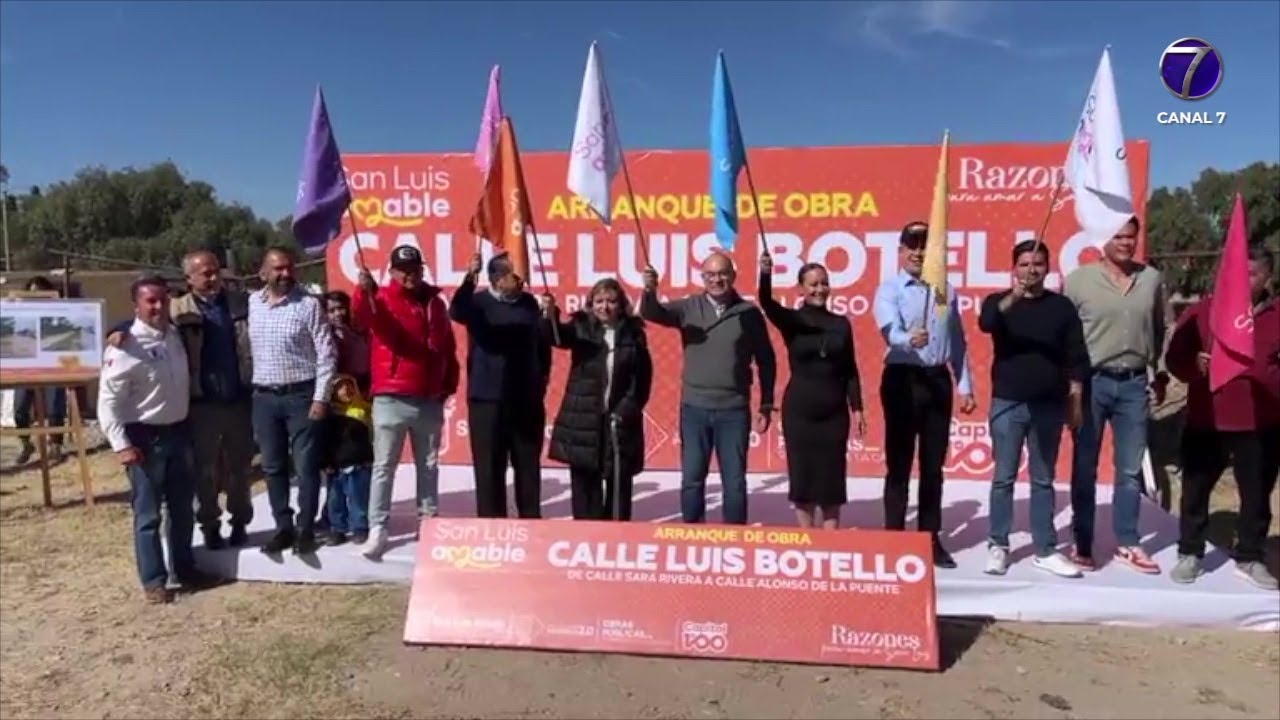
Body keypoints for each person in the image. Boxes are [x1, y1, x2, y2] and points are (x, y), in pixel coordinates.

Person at [109, 250, 257, 549]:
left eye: (215, 270)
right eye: (205, 273)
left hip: (238, 400)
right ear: (189, 278)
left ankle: (240, 522)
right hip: (201, 404)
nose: (213, 277)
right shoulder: (178, 309)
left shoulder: (240, 304)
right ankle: (210, 525)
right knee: (204, 471)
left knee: (240, 469)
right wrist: (119, 330)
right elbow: (144, 321)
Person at [1165, 246, 1279, 590]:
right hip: (1206, 418)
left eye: (1252, 274)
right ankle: (1190, 553)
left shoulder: (1277, 315)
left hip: (1261, 422)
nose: (1244, 281)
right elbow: (1175, 360)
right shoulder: (1204, 311)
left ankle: (1250, 556)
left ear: (1267, 278)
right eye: (1237, 273)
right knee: (1195, 491)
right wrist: (1193, 366)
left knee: (1257, 495)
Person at [97, 275, 214, 604]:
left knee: (182, 510)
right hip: (145, 439)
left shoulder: (174, 334)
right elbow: (108, 403)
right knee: (148, 515)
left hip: (178, 432)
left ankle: (185, 569)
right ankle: (154, 581)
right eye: (150, 301)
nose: (158, 307)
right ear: (136, 305)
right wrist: (121, 446)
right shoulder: (124, 346)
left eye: (162, 300)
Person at [978, 240, 1091, 577]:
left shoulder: (1061, 307)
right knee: (1003, 478)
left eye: (1038, 264)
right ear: (1014, 268)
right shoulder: (1000, 303)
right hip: (1008, 403)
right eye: (1025, 264)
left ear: (1048, 267)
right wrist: (1014, 295)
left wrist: (1075, 398)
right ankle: (998, 544)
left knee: (1043, 479)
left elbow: (1077, 355)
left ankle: (1045, 548)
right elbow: (986, 323)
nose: (1032, 270)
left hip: (1049, 406)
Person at [640, 252, 777, 525]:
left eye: (723, 273)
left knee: (735, 481)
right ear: (703, 278)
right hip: (694, 408)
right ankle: (692, 533)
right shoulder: (689, 307)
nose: (717, 280)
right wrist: (649, 289)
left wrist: (766, 403)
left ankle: (735, 537)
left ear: (733, 276)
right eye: (710, 275)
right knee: (692, 478)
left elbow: (766, 360)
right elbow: (652, 312)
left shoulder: (749, 313)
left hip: (734, 410)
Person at [1064, 216, 1168, 574]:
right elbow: (1065, 335)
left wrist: (1161, 372)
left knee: (1129, 469)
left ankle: (1128, 542)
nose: (1126, 243)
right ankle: (1082, 542)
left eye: (1131, 237)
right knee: (1084, 465)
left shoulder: (1151, 279)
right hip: (1091, 384)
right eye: (1119, 237)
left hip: (1134, 384)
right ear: (1103, 239)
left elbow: (1158, 328)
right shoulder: (1078, 281)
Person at [872, 221, 976, 568]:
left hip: (937, 380)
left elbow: (958, 340)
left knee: (933, 466)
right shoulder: (889, 289)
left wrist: (965, 385)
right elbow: (889, 329)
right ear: (901, 251)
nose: (918, 253)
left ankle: (930, 539)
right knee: (898, 464)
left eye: (924, 246)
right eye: (911, 246)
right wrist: (905, 338)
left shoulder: (946, 288)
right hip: (902, 379)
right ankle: (893, 539)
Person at [353, 245, 458, 558]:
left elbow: (447, 347)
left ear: (422, 269)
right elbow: (364, 315)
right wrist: (362, 290)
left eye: (414, 268)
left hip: (429, 397)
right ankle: (378, 528)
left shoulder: (436, 304)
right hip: (391, 395)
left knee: (429, 465)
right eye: (403, 269)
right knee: (384, 466)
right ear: (393, 271)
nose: (410, 274)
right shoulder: (382, 298)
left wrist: (447, 384)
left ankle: (428, 522)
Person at [758, 254, 865, 529]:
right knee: (803, 477)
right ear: (801, 289)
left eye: (824, 283)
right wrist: (766, 273)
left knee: (831, 479)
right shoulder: (793, 321)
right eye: (813, 284)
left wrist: (858, 408)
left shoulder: (842, 323)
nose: (820, 289)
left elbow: (850, 369)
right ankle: (807, 540)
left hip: (834, 414)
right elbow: (767, 304)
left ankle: (829, 541)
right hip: (800, 413)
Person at [247, 246, 336, 556]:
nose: (285, 274)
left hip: (301, 396)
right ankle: (282, 527)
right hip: (264, 398)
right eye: (278, 269)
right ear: (263, 273)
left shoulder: (308, 305)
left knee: (306, 466)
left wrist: (320, 397)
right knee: (272, 467)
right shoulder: (252, 303)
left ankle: (305, 529)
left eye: (289, 268)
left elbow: (326, 354)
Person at [449, 252, 551, 519]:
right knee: (489, 467)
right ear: (496, 278)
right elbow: (457, 310)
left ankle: (531, 523)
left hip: (525, 398)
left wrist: (540, 381)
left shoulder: (530, 304)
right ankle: (492, 526)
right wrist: (470, 276)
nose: (522, 280)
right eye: (514, 274)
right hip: (487, 399)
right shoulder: (478, 303)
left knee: (527, 465)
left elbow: (543, 345)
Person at [542, 278, 653, 521]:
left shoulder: (634, 335)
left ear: (621, 305)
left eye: (611, 301)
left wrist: (625, 410)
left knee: (618, 484)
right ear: (591, 304)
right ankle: (587, 537)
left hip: (618, 423)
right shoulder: (581, 327)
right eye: (599, 301)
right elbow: (557, 336)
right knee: (585, 486)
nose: (605, 307)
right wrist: (549, 314)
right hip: (584, 420)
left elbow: (641, 382)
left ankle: (616, 538)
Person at [13, 276, 67, 465]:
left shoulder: (57, 315)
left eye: (40, 293)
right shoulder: (19, 316)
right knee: (20, 409)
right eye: (32, 293)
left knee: (55, 407)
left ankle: (56, 446)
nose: (36, 297)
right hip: (25, 367)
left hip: (52, 365)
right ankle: (26, 444)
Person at [318, 374, 374, 546]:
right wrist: (325, 462)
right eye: (341, 387)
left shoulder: (363, 411)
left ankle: (360, 527)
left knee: (358, 497)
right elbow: (324, 441)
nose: (346, 390)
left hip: (359, 464)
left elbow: (370, 437)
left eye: (350, 386)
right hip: (335, 467)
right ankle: (338, 529)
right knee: (335, 499)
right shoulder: (327, 417)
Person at [325, 290, 371, 394]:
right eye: (332, 311)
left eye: (341, 308)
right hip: (341, 388)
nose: (338, 314)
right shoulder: (326, 338)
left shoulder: (361, 332)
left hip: (365, 385)